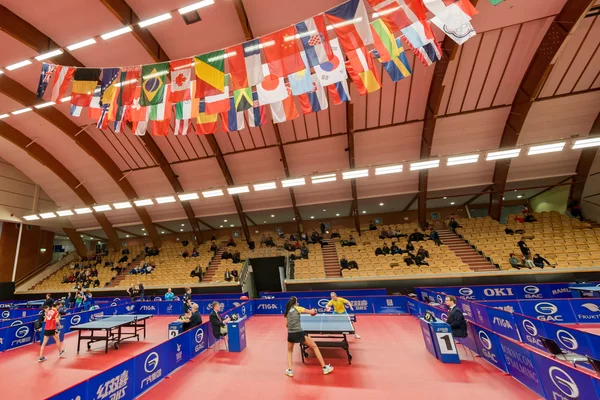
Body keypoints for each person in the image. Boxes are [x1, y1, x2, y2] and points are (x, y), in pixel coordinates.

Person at [284, 296, 334, 377]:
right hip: (299, 333)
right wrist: (314, 310)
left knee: (290, 351)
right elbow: (311, 312)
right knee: (314, 346)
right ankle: (324, 368)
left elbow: (286, 324)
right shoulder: (298, 308)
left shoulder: (287, 312)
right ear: (295, 302)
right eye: (297, 301)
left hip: (290, 334)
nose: (297, 302)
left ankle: (289, 370)